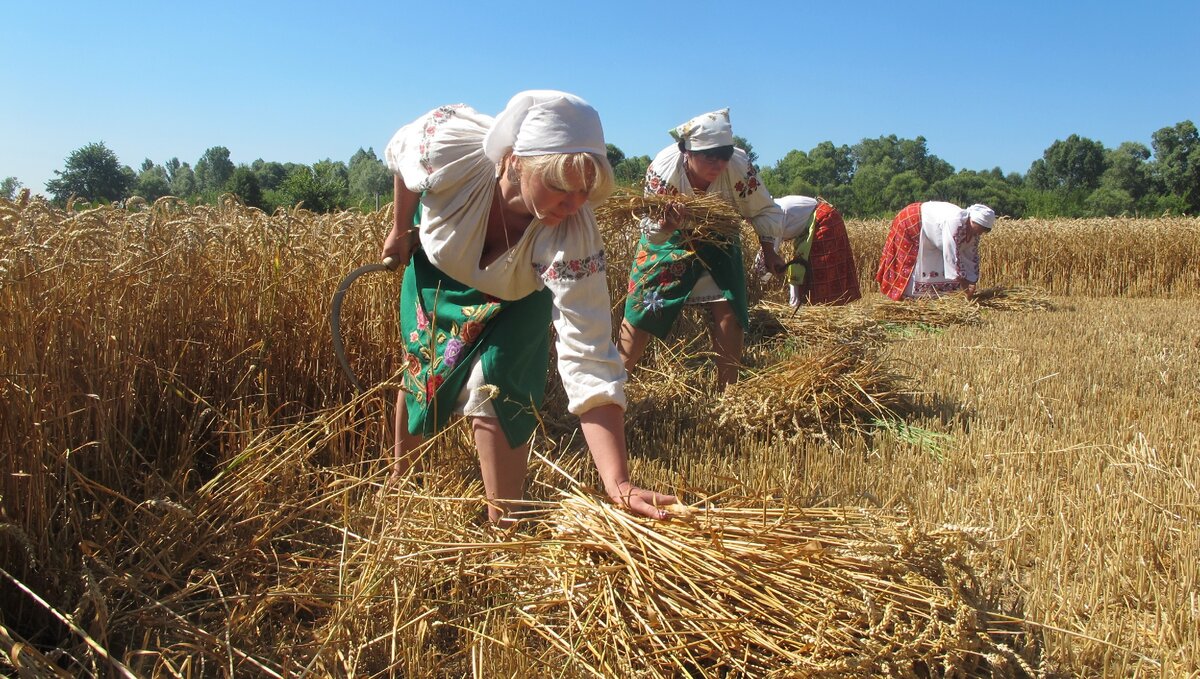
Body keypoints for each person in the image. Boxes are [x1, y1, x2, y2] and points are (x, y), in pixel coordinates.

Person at [381, 90, 676, 524]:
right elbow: (405, 163)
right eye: (561, 187)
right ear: (515, 160)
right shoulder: (453, 153)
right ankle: (399, 480)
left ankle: (505, 521)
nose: (575, 204)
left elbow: (589, 353)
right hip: (438, 282)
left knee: (499, 387)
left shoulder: (572, 233)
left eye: (585, 190)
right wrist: (400, 228)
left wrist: (618, 482)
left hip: (517, 301)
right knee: (421, 371)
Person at [617, 108, 785, 388]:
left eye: (724, 155)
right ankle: (615, 387)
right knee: (640, 312)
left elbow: (764, 209)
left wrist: (770, 250)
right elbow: (649, 227)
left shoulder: (739, 167)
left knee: (729, 310)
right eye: (710, 156)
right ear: (687, 152)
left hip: (720, 239)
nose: (718, 163)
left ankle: (727, 392)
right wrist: (668, 225)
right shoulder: (663, 170)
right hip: (668, 240)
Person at [875, 201, 996, 300]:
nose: (980, 233)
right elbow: (951, 253)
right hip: (912, 220)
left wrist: (972, 280)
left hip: (929, 231)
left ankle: (931, 295)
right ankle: (904, 296)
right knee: (909, 261)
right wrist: (962, 282)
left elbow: (970, 256)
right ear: (973, 220)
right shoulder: (955, 222)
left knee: (934, 260)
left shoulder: (973, 232)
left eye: (983, 231)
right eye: (979, 228)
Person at [754, 195, 861, 306]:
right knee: (802, 267)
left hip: (824, 221)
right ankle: (804, 304)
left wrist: (757, 281)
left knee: (818, 269)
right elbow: (765, 252)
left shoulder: (771, 217)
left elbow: (769, 256)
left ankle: (823, 309)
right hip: (821, 220)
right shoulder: (769, 210)